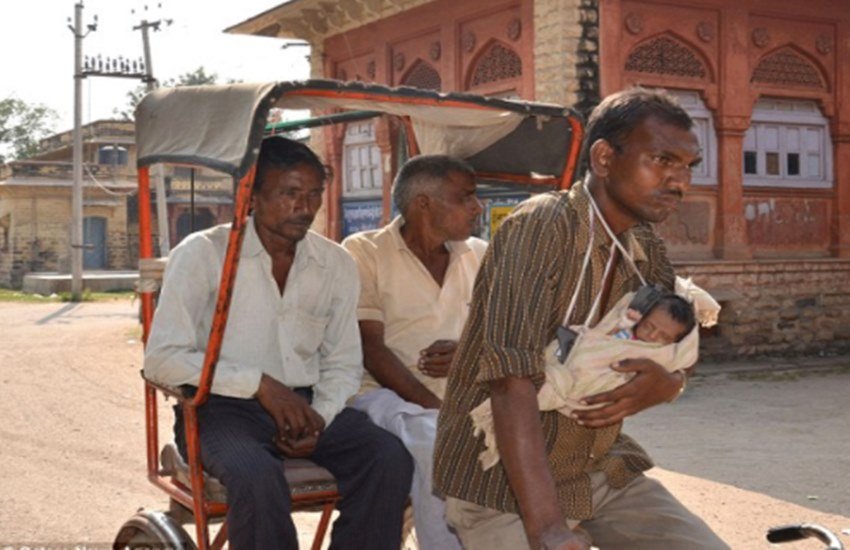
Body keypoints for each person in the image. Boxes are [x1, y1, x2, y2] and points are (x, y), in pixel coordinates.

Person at [433, 88, 730, 550]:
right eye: (662, 160)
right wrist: (549, 529)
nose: (679, 182)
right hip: (503, 483)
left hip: (596, 470)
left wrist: (670, 384)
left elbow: (676, 340)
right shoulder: (542, 225)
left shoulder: (643, 245)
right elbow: (510, 381)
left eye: (686, 166)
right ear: (605, 157)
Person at [144, 136, 413, 549]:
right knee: (255, 476)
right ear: (251, 196)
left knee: (388, 458)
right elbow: (162, 359)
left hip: (307, 405)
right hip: (218, 409)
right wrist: (259, 384)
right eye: (289, 194)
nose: (304, 208)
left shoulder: (334, 263)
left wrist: (318, 416)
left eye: (313, 195)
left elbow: (343, 363)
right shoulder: (202, 254)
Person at [341, 155, 486, 550]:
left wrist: (468, 356)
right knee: (438, 443)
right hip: (381, 395)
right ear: (424, 204)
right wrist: (437, 407)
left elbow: (503, 338)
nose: (478, 207)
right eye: (466, 197)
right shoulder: (363, 251)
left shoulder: (480, 255)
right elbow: (371, 349)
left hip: (465, 397)